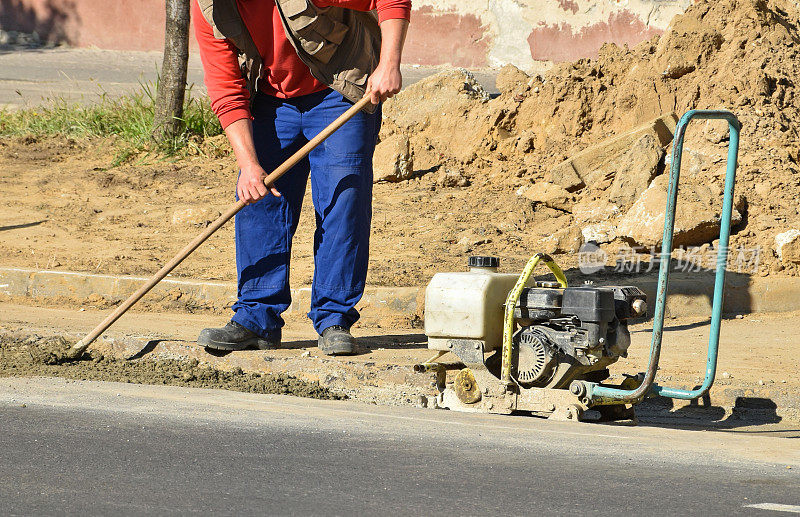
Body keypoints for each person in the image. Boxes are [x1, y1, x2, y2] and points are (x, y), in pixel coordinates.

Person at [193, 0, 410, 355]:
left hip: (338, 92)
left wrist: (388, 64)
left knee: (344, 201)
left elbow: (389, 1)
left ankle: (334, 319)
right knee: (258, 199)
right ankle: (256, 318)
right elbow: (226, 87)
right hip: (270, 99)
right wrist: (249, 164)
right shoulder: (209, 9)